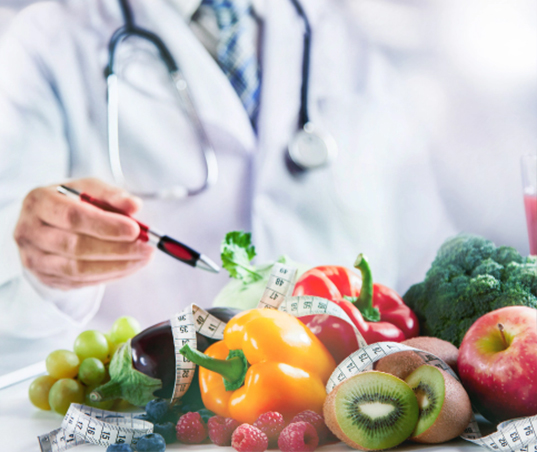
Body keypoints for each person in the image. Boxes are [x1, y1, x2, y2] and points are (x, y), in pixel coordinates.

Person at [0, 0, 532, 352]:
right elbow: (12, 293)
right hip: (168, 421)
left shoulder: (357, 23)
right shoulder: (46, 42)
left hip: (351, 410)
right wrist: (48, 262)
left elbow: (422, 239)